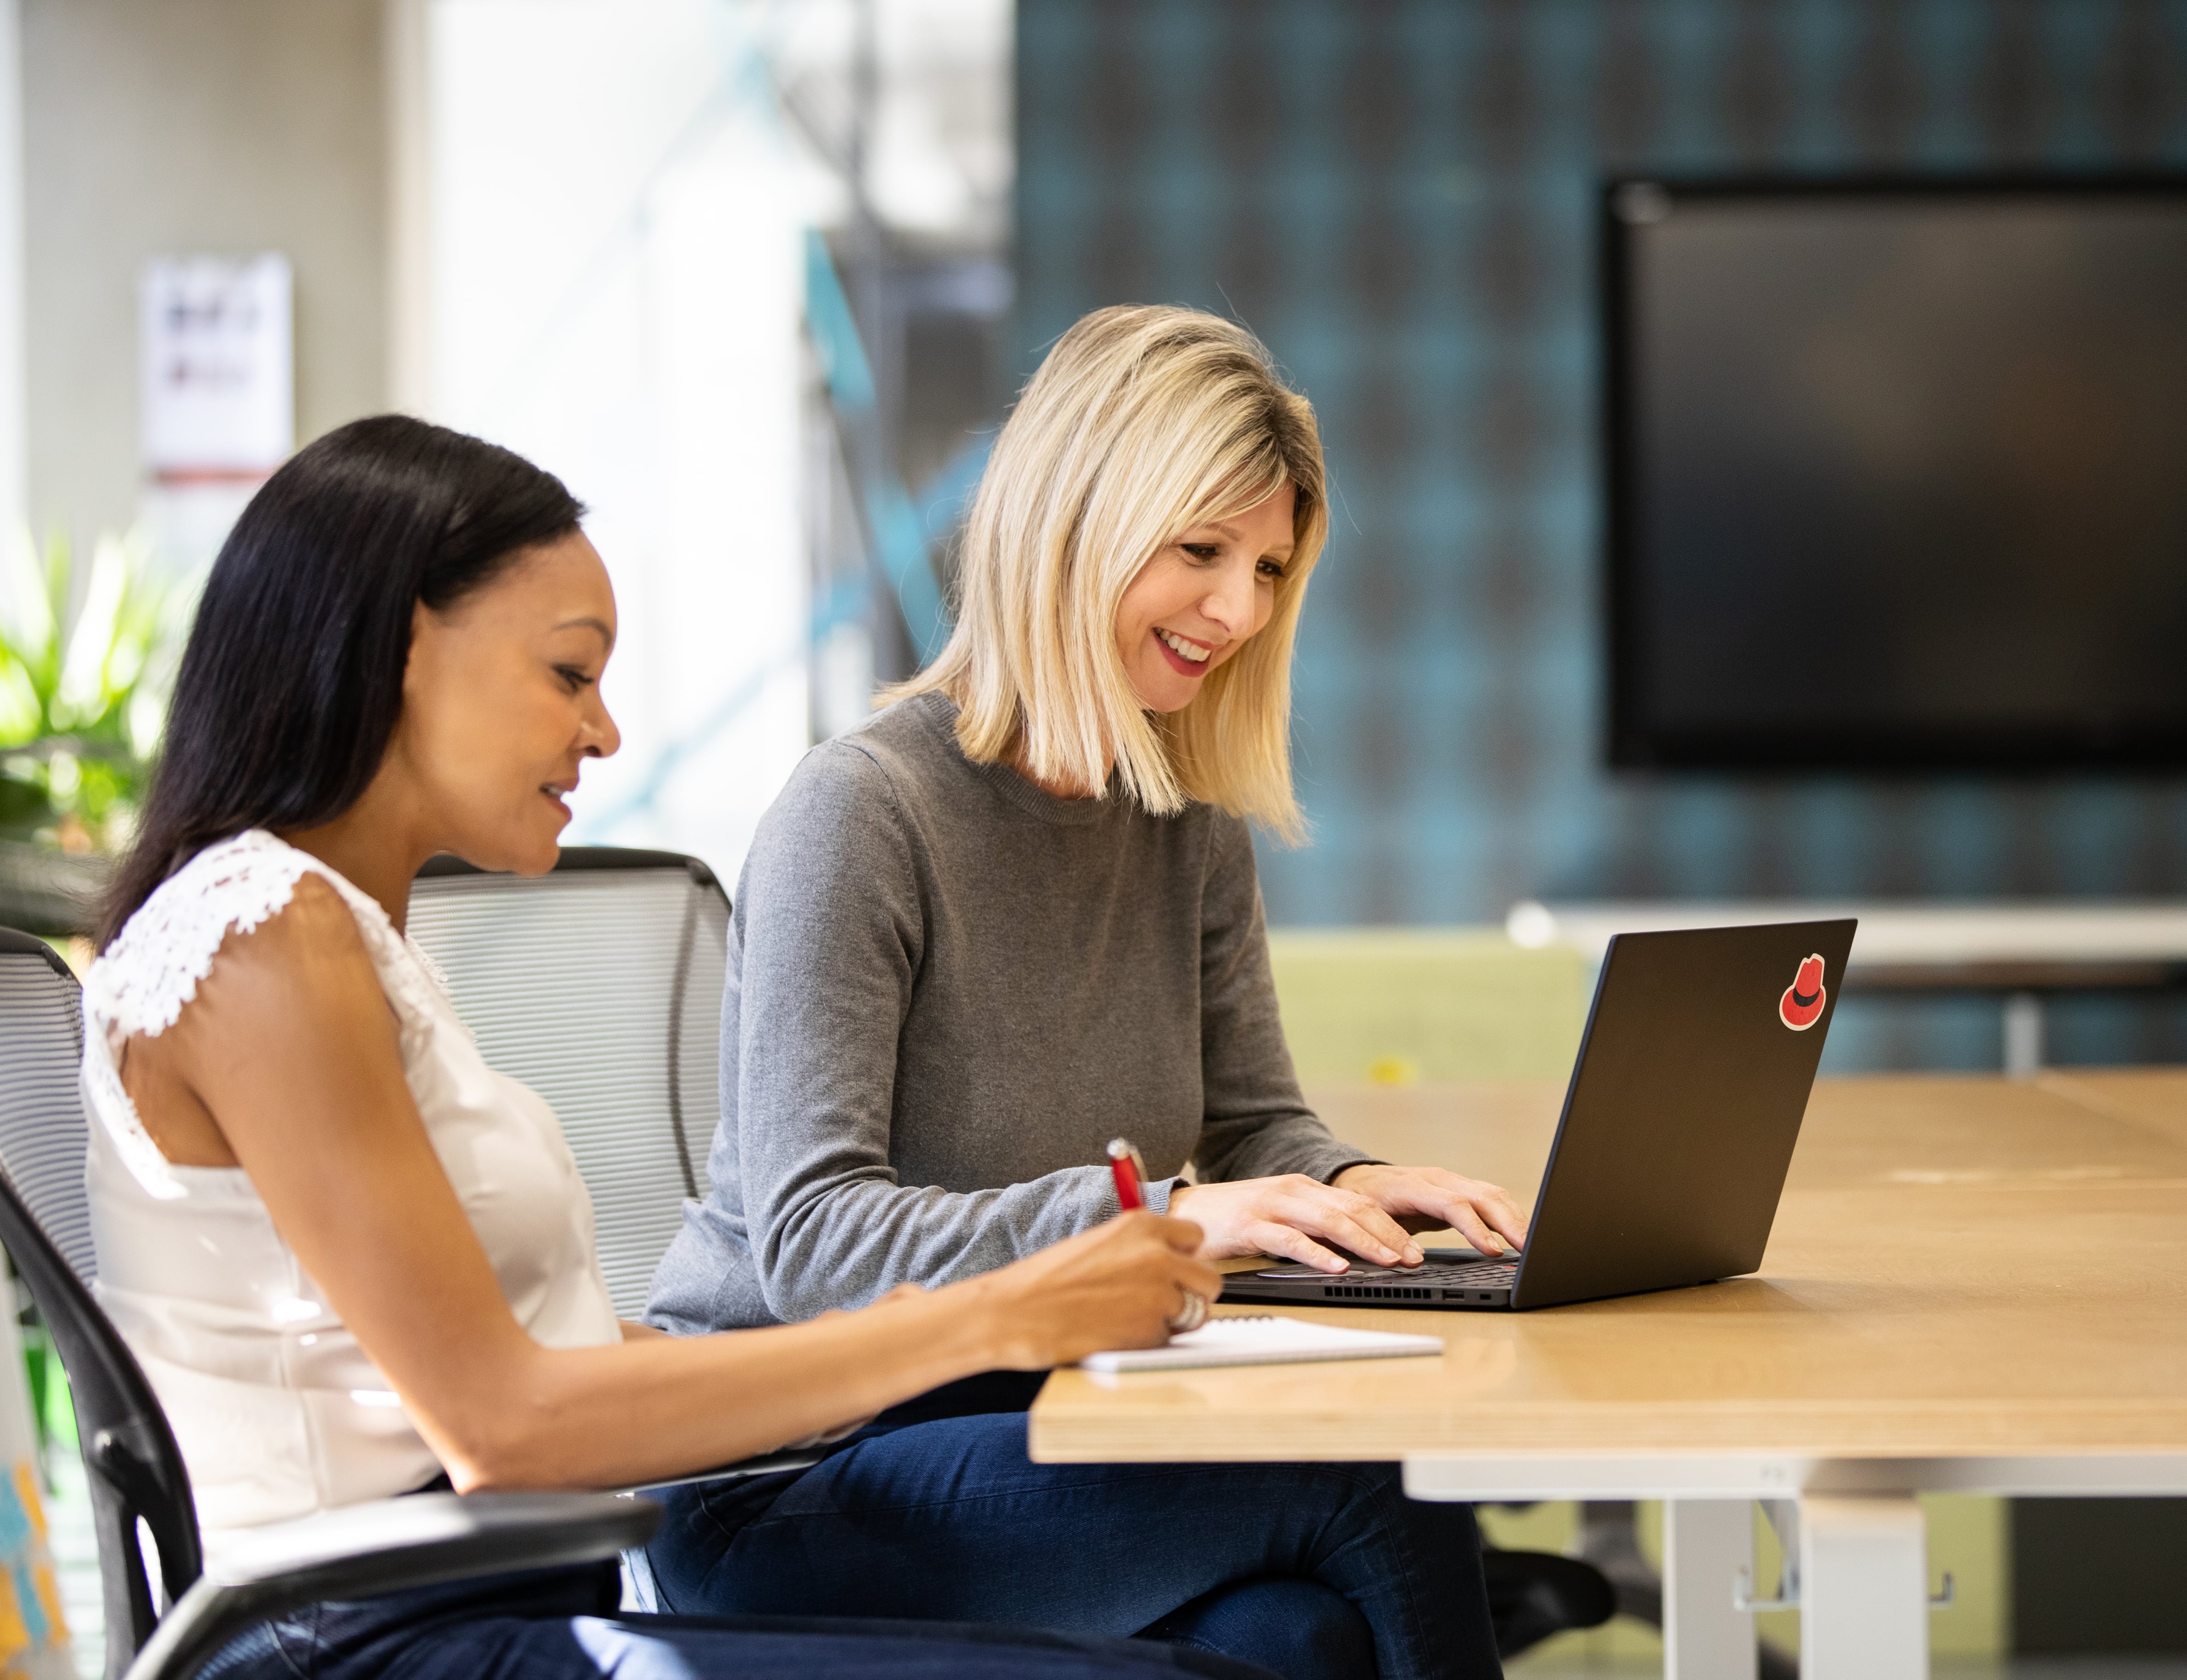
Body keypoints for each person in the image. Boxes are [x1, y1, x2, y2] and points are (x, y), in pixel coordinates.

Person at [82, 415, 1490, 1680]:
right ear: (400, 645)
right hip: (366, 1649)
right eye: (569, 673)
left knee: (1286, 1643)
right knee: (1330, 1516)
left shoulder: (343, 939)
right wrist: (1004, 1310)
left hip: (505, 1598)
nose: (605, 726)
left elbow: (552, 1365)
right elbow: (504, 1424)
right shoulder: (261, 939)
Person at [642, 305, 1609, 1659]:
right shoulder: (862, 812)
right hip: (786, 1469)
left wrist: (1338, 1185)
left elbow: (1251, 1122)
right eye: (1200, 551)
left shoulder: (1181, 820)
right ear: (1075, 525)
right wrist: (1172, 1219)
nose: (1241, 610)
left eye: (1270, 567)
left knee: (1298, 1639)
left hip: (1036, 1406)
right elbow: (817, 1248)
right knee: (1368, 1486)